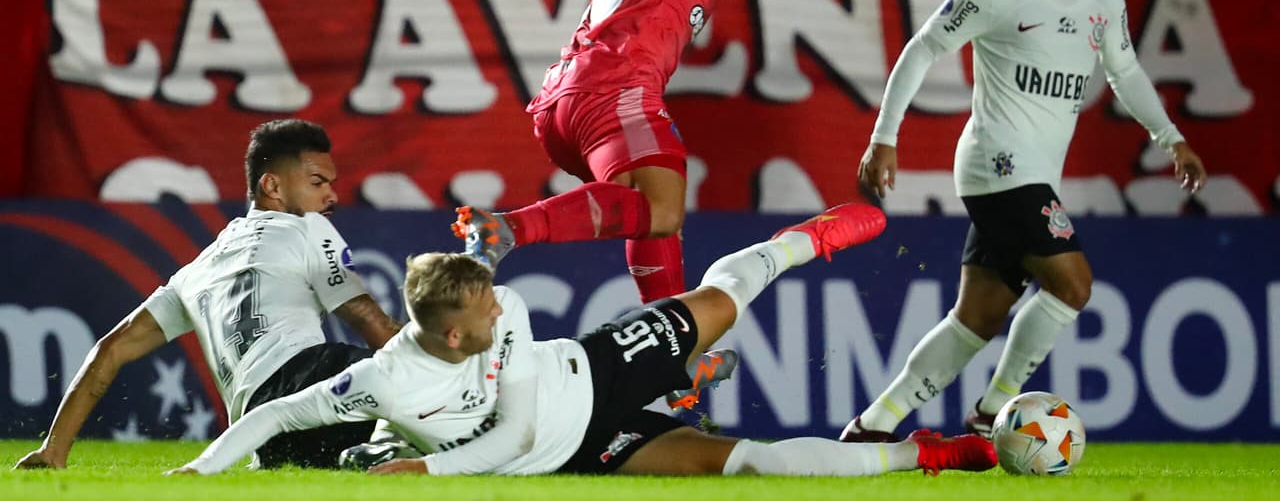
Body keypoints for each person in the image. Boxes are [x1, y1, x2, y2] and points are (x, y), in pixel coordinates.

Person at [171, 203, 999, 478]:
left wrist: (421, 466)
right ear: (453, 333)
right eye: (488, 308)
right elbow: (274, 417)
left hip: (595, 368)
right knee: (750, 460)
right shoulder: (385, 383)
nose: (507, 309)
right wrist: (201, 468)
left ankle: (799, 242)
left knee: (720, 297)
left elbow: (517, 435)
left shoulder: (516, 317)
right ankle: (929, 455)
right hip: (591, 446)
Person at [449, 0, 804, 398]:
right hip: (612, 86)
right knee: (663, 207)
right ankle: (504, 230)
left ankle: (672, 354)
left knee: (654, 215)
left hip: (570, 99)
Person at [840, 0, 1208, 444]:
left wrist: (1170, 137)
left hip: (1035, 173)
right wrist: (884, 135)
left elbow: (1125, 71)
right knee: (1073, 286)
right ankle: (994, 413)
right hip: (997, 164)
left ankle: (874, 423)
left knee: (976, 318)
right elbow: (923, 49)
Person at [14, 119, 401, 470]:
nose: (331, 196)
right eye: (318, 183)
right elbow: (368, 320)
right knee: (435, 389)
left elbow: (110, 350)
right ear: (272, 186)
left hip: (261, 433)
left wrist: (53, 450)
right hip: (313, 378)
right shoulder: (308, 228)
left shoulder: (195, 271)